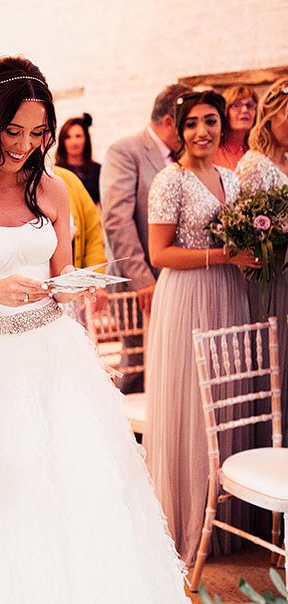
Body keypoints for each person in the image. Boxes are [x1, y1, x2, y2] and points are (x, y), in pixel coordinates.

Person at [0, 56, 188, 603]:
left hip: (54, 356)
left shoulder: (52, 191)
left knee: (74, 488)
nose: (25, 144)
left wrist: (79, 288)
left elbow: (60, 277)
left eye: (37, 132)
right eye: (13, 131)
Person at [144, 90, 261, 567]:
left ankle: (228, 526)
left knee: (228, 398)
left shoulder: (233, 181)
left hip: (230, 296)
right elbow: (159, 254)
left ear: (222, 125)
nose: (202, 132)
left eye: (210, 121)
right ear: (178, 129)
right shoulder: (169, 182)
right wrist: (224, 256)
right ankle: (187, 520)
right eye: (191, 123)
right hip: (188, 298)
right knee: (194, 405)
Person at [100, 83, 190, 393]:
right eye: (189, 122)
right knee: (137, 372)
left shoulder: (183, 155)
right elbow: (116, 218)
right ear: (170, 121)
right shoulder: (126, 151)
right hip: (139, 285)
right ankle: (129, 436)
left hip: (178, 279)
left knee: (173, 369)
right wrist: (142, 280)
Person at [236, 77, 288, 445]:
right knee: (272, 364)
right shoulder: (254, 164)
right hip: (268, 280)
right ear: (269, 117)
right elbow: (246, 229)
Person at [55, 113, 101, 204]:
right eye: (68, 137)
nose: (74, 142)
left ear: (86, 139)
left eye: (78, 136)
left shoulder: (98, 170)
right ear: (62, 141)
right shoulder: (55, 172)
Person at [212, 85, 258, 170]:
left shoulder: (259, 150)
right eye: (236, 105)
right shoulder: (212, 151)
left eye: (250, 105)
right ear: (225, 112)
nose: (245, 110)